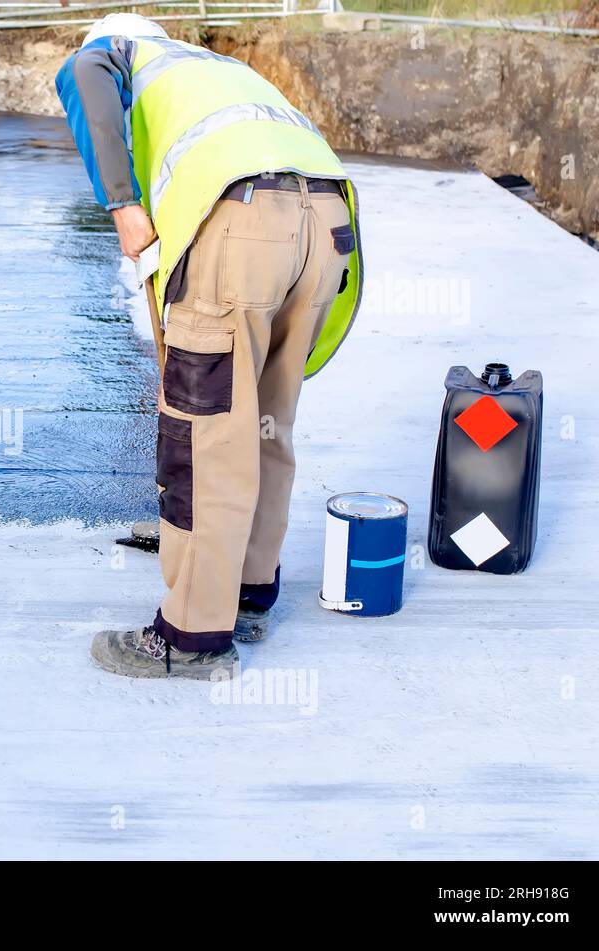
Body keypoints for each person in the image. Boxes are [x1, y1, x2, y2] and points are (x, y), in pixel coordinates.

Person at [55, 14, 364, 678]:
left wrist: (121, 205)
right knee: (265, 419)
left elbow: (84, 75)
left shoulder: (116, 53)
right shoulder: (211, 69)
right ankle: (248, 590)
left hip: (245, 224)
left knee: (203, 436)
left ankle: (191, 635)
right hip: (326, 223)